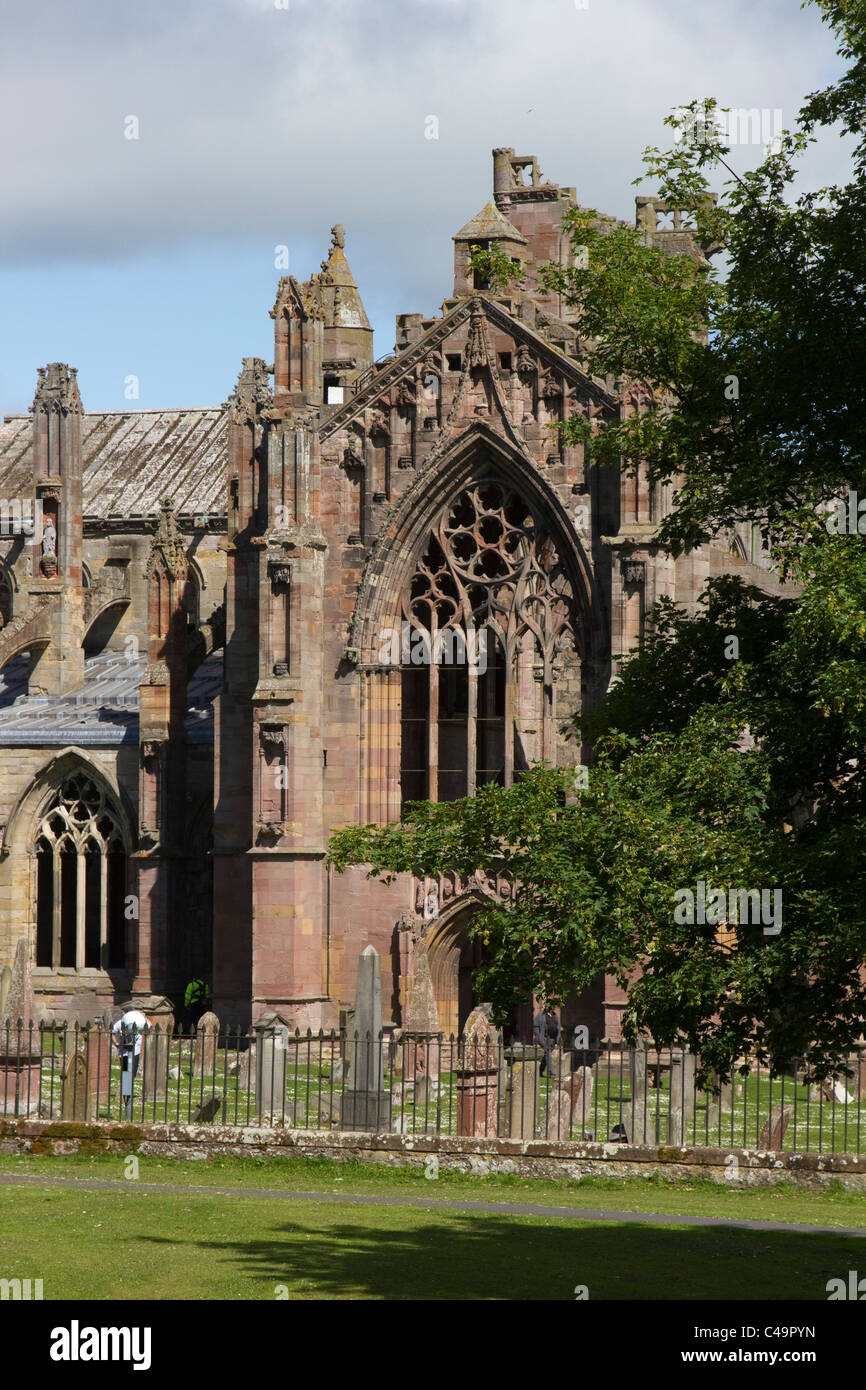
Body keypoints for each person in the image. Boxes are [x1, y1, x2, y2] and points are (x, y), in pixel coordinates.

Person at [112, 1008, 150, 1119]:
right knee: (126, 1077)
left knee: (131, 1076)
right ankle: (126, 1101)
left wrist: (145, 1019)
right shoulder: (120, 1023)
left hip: (135, 1053)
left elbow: (151, 1026)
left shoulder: (141, 1022)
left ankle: (128, 1102)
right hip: (123, 1053)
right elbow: (113, 1032)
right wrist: (116, 1043)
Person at [532, 1006, 560, 1081]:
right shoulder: (541, 1015)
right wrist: (538, 1036)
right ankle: (551, 1072)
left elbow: (558, 1028)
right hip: (544, 1038)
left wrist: (557, 1041)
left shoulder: (555, 1015)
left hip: (552, 1039)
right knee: (547, 1053)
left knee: (546, 1056)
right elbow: (535, 1027)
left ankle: (540, 1071)